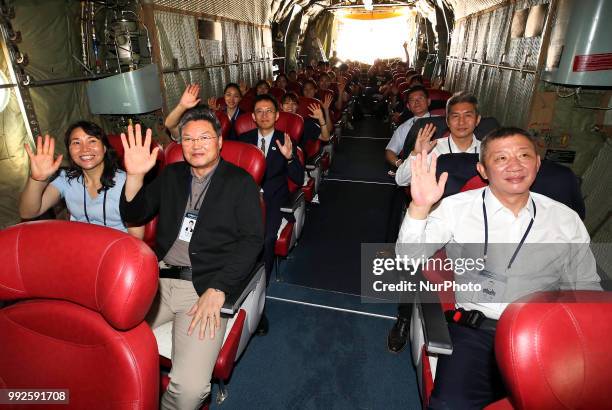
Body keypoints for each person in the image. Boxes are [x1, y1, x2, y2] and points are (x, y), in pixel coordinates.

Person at [396, 127, 601, 409]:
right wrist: (419, 207)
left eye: (524, 155)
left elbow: (586, 288)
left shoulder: (565, 220)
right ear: (482, 169)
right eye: (501, 158)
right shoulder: (456, 208)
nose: (514, 165)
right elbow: (408, 260)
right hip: (478, 332)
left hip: (546, 335)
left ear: (538, 163)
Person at [119, 109, 263, 410]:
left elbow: (252, 242)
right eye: (188, 139)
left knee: (190, 391)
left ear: (220, 141)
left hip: (201, 287)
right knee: (103, 343)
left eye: (204, 137)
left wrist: (220, 288)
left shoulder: (241, 183)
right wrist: (134, 176)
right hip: (154, 279)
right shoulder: (171, 175)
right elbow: (134, 214)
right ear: (179, 144)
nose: (196, 144)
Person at [238, 94, 304, 335]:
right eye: (259, 111)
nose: (264, 115)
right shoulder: (242, 140)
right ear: (253, 117)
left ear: (277, 116)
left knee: (264, 241)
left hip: (273, 200)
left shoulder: (287, 141)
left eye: (269, 111)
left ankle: (258, 305)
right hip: (243, 200)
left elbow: (297, 179)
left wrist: (290, 158)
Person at [19, 121, 143, 238]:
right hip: (80, 248)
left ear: (104, 148)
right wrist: (37, 179)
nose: (85, 149)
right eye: (76, 143)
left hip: (117, 249)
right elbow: (28, 213)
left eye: (92, 141)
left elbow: (136, 238)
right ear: (69, 151)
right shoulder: (67, 179)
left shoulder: (127, 182)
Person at [395, 91, 482, 187]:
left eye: (468, 115)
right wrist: (417, 154)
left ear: (477, 120)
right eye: (455, 116)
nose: (461, 122)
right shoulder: (433, 149)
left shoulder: (487, 151)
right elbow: (401, 180)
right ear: (447, 121)